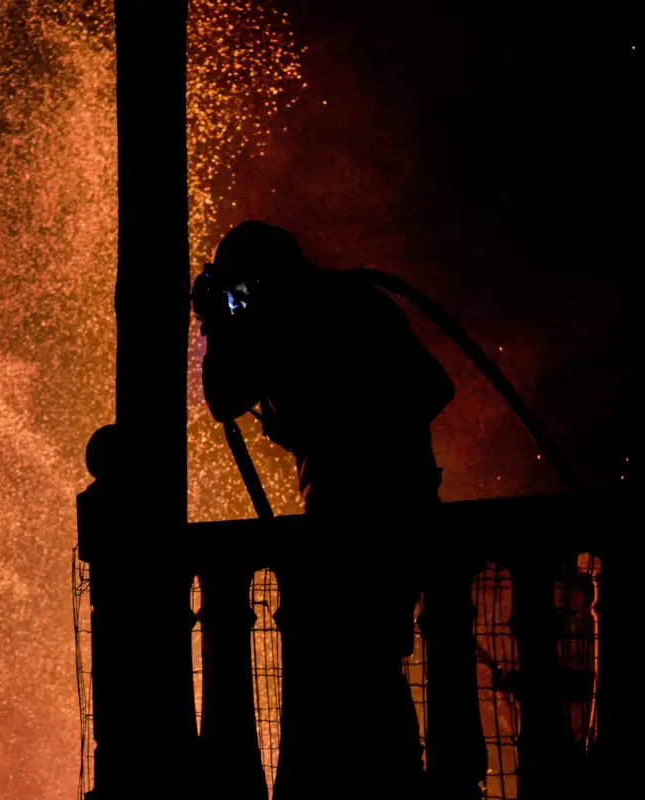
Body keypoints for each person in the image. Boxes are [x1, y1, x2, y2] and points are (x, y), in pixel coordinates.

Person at [193, 221, 454, 798]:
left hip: (348, 517)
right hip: (406, 501)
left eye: (241, 291)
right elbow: (435, 388)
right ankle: (396, 785)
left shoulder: (280, 320)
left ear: (259, 280)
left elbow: (221, 398)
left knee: (349, 669)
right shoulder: (357, 300)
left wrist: (214, 323)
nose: (242, 303)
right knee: (376, 662)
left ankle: (369, 790)